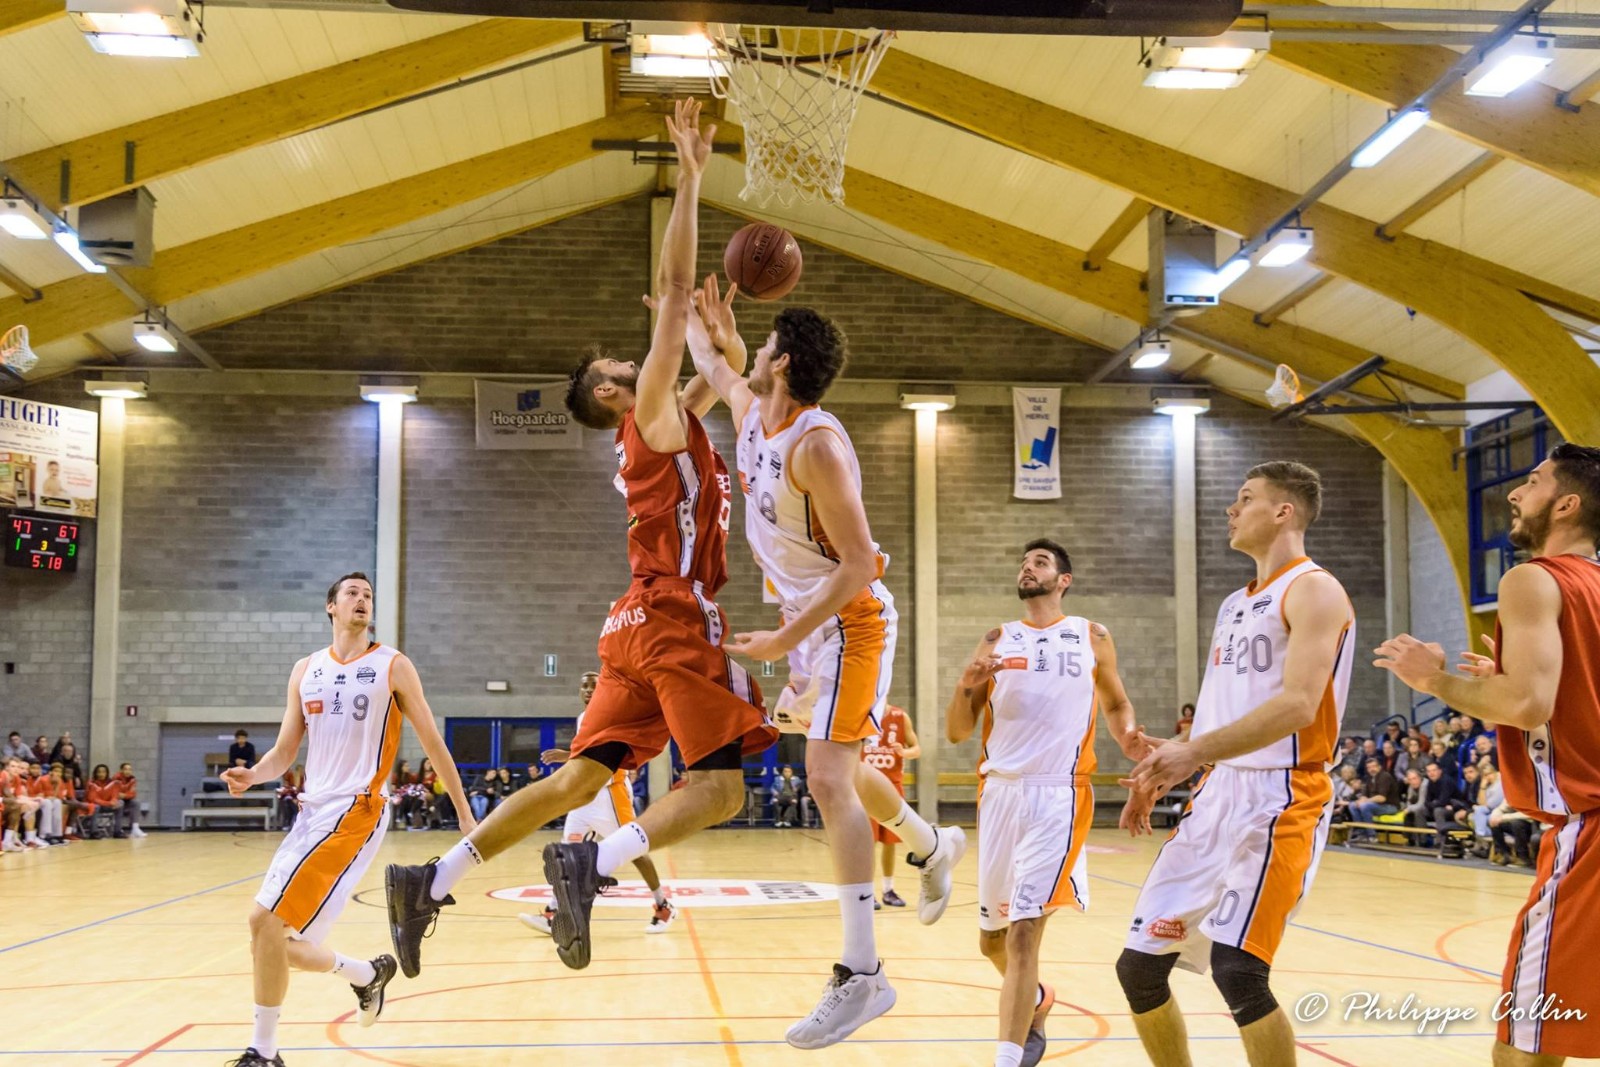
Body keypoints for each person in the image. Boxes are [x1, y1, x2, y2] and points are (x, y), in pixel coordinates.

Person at [383, 99, 775, 991]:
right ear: (607, 393)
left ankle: (428, 881)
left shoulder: (663, 421)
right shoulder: (647, 411)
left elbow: (720, 383)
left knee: (573, 784)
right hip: (671, 615)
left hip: (629, 624)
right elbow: (673, 290)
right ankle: (590, 865)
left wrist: (725, 340)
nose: (634, 361)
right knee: (721, 790)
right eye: (619, 366)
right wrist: (691, 179)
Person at [684, 265, 967, 1049]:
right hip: (808, 627)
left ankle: (863, 972)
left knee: (826, 775)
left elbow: (860, 564)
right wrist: (690, 314)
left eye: (763, 344)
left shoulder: (816, 447)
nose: (751, 352)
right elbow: (711, 366)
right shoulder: (754, 417)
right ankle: (930, 842)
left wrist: (782, 640)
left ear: (781, 362)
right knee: (836, 761)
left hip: (850, 623)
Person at [1117, 461, 1355, 1067]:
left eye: (1246, 498)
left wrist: (1193, 751)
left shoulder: (1315, 589)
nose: (1232, 509)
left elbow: (1299, 705)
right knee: (1139, 969)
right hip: (1218, 790)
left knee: (1239, 970)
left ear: (1283, 511)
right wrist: (1169, 765)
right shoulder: (1232, 604)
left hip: (1282, 797)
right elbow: (1223, 712)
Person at [1374, 443, 1600, 1064]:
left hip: (1589, 830)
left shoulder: (1533, 578)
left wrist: (1433, 680)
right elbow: (1563, 699)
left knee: (1527, 1036)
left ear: (1566, 505)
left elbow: (1526, 704)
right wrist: (1499, 683)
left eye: (1533, 481)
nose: (1515, 493)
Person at [220, 571, 473, 1067]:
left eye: (368, 595)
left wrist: (464, 812)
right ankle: (367, 974)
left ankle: (263, 1053)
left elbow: (433, 743)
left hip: (357, 809)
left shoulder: (392, 665)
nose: (362, 600)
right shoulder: (306, 669)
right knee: (273, 942)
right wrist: (254, 775)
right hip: (311, 814)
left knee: (264, 920)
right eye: (352, 593)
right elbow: (284, 753)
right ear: (331, 607)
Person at [947, 539, 1151, 1067]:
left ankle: (1008, 1056)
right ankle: (1036, 999)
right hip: (999, 794)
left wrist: (1129, 737)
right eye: (1024, 562)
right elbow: (957, 731)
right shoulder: (997, 638)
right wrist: (965, 686)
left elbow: (1117, 703)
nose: (1027, 567)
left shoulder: (1091, 635)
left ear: (1064, 580)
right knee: (992, 942)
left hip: (1059, 792)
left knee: (1023, 934)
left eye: (1039, 562)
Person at [519, 671, 677, 936]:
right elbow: (584, 757)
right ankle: (553, 912)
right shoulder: (583, 717)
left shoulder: (612, 713)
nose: (589, 689)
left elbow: (603, 755)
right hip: (585, 796)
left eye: (594, 685)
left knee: (636, 851)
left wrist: (565, 756)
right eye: (584, 686)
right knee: (566, 854)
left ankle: (663, 906)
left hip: (611, 794)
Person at [860, 704, 921, 909]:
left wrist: (904, 752)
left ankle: (888, 890)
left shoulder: (900, 716)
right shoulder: (860, 714)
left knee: (890, 842)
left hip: (892, 786)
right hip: (865, 785)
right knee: (867, 843)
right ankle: (866, 891)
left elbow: (917, 749)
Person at [1, 755, 46, 850]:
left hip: (6, 804)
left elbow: (18, 796)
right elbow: (10, 797)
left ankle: (27, 839)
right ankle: (12, 840)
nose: (16, 769)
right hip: (3, 802)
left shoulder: (16, 778)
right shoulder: (3, 776)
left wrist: (32, 799)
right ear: (7, 767)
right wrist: (27, 802)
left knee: (26, 806)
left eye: (17, 767)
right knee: (18, 806)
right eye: (13, 766)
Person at [1348, 757, 1399, 841]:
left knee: (1365, 806)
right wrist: (1360, 801)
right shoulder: (1369, 778)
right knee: (1353, 805)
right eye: (1369, 767)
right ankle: (1361, 833)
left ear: (1379, 767)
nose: (1371, 769)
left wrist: (1365, 801)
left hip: (1390, 806)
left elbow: (1382, 798)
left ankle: (1372, 835)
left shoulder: (1385, 777)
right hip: (1375, 805)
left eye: (1374, 766)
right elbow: (1364, 795)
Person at [85, 764, 125, 839]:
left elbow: (115, 794)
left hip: (107, 806)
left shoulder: (112, 783)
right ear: (95, 773)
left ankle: (117, 831)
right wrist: (109, 803)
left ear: (107, 773)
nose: (101, 774)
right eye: (99, 772)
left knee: (121, 803)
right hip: (94, 807)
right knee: (95, 806)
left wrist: (113, 801)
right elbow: (93, 799)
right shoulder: (91, 783)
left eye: (103, 772)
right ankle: (94, 832)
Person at [113, 762, 146, 838]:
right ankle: (118, 830)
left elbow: (133, 794)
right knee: (120, 803)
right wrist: (125, 795)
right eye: (125, 769)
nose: (128, 771)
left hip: (126, 799)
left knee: (136, 802)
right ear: (121, 770)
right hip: (115, 801)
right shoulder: (115, 778)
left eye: (130, 769)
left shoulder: (132, 779)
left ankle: (135, 828)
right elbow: (115, 793)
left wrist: (124, 795)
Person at [276, 764, 304, 831]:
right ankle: (288, 823)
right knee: (286, 802)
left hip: (300, 798)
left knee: (290, 804)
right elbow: (289, 788)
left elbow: (301, 790)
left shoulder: (302, 779)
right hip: (292, 798)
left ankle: (290, 823)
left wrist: (297, 798)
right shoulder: (290, 776)